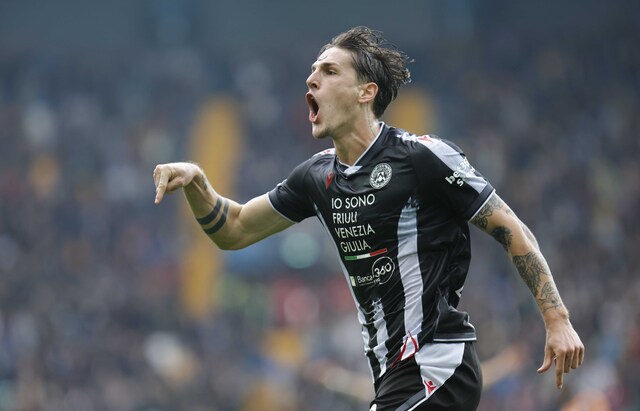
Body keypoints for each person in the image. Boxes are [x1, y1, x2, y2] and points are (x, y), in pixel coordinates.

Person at [153, 27, 584, 410]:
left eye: (329, 71)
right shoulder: (316, 177)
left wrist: (558, 320)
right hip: (392, 377)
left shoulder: (421, 156)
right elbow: (235, 229)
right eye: (312, 72)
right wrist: (197, 182)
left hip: (438, 366)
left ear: (366, 92)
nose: (312, 79)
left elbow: (511, 230)